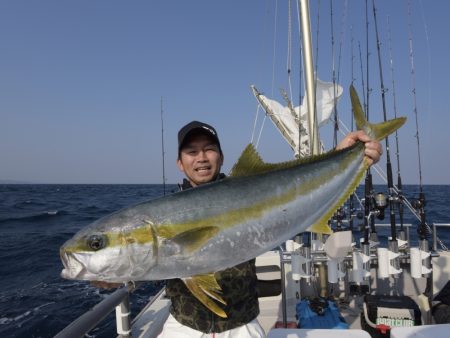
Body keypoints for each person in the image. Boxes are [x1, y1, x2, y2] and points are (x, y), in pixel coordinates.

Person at [157, 121, 382, 338]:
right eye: (192, 152)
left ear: (221, 157)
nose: (202, 158)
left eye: (209, 149)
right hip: (183, 326)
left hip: (243, 326)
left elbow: (296, 184)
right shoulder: (162, 215)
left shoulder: (250, 190)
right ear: (180, 162)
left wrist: (341, 155)